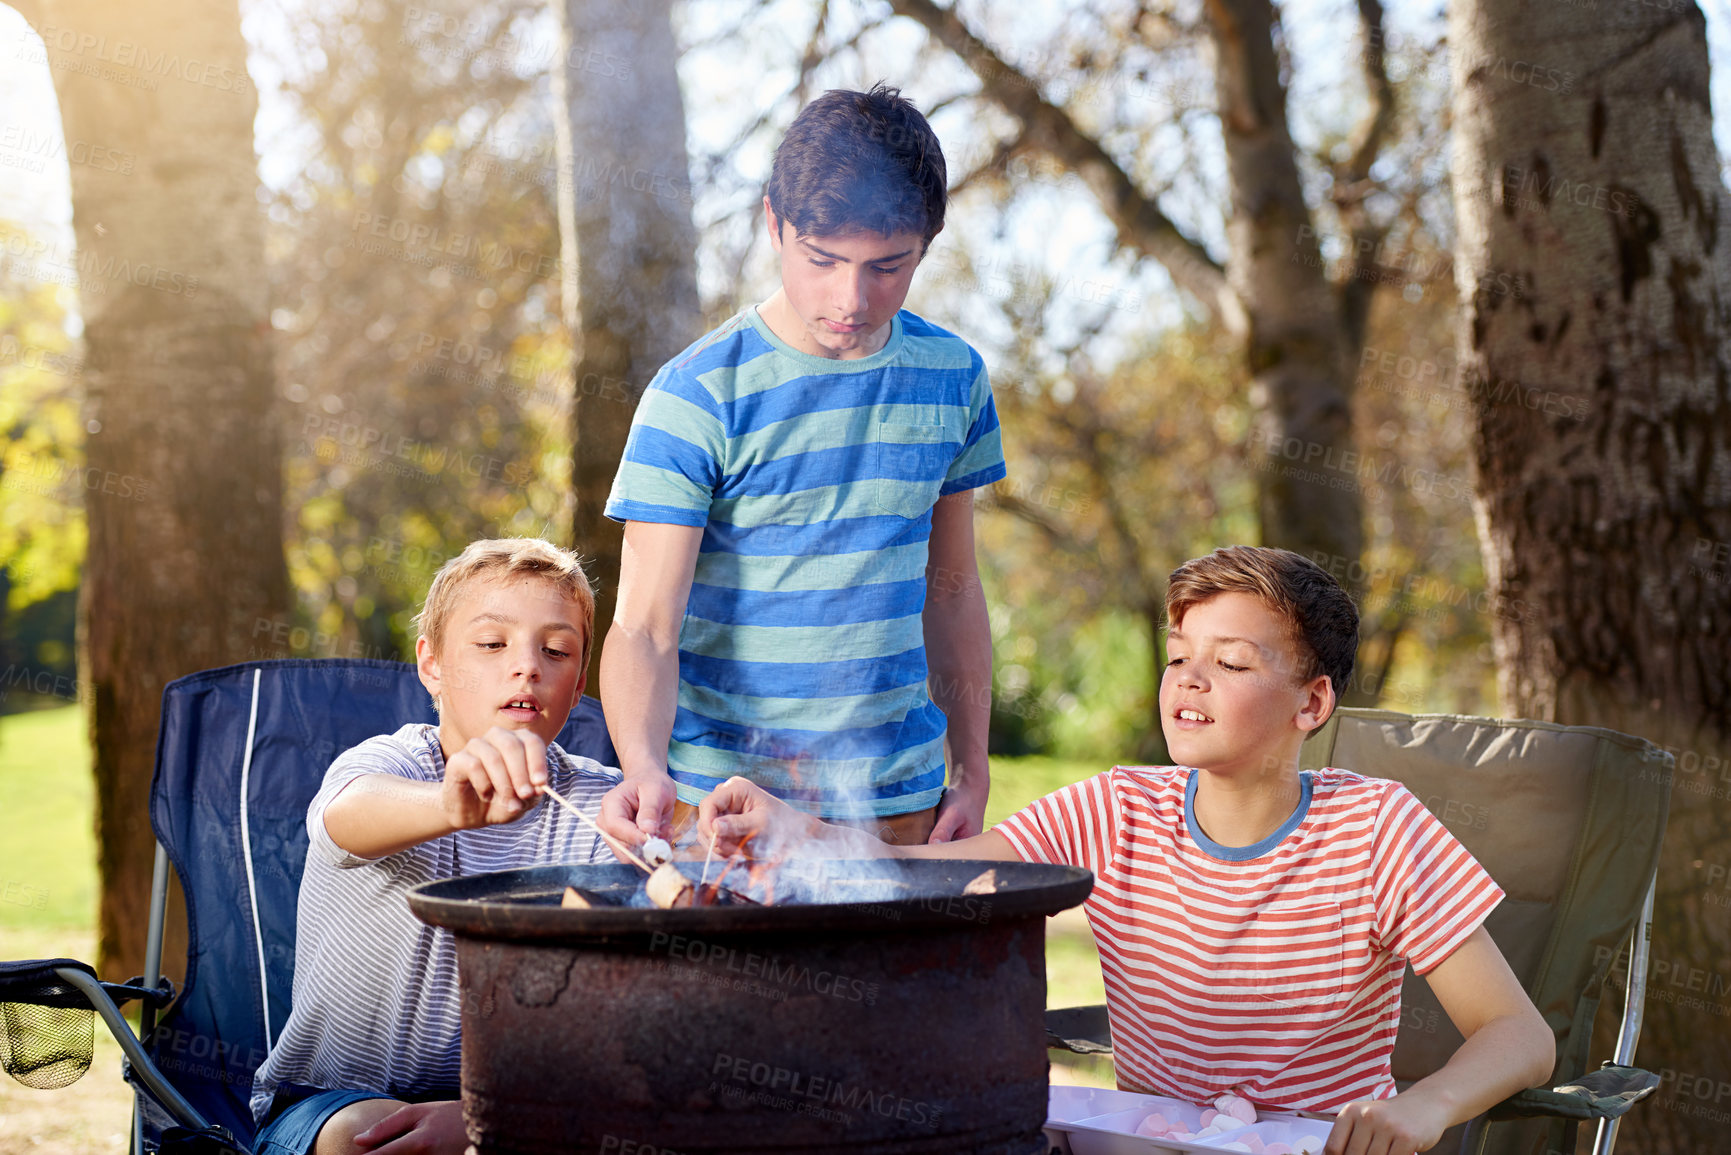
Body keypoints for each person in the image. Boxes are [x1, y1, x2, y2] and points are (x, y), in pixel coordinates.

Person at [695, 546, 1557, 1155]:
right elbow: (930, 876)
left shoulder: (1377, 829)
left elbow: (1518, 1033)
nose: (1188, 677)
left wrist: (1425, 1105)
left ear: (1311, 701)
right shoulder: (1117, 808)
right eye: (1180, 655)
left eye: (1229, 662)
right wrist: (795, 832)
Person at [598, 82, 1003, 852]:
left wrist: (972, 765)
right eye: (823, 260)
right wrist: (642, 764)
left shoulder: (955, 378)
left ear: (926, 242)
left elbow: (950, 588)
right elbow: (645, 625)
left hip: (900, 805)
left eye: (888, 265)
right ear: (774, 224)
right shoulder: (696, 394)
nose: (851, 297)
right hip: (722, 810)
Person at [250, 539, 621, 1155]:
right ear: (432, 665)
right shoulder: (394, 764)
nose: (526, 666)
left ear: (579, 683)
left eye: (555, 650)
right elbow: (346, 813)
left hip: (527, 1104)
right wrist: (450, 806)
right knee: (376, 1138)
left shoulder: (600, 804)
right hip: (329, 1103)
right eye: (492, 643)